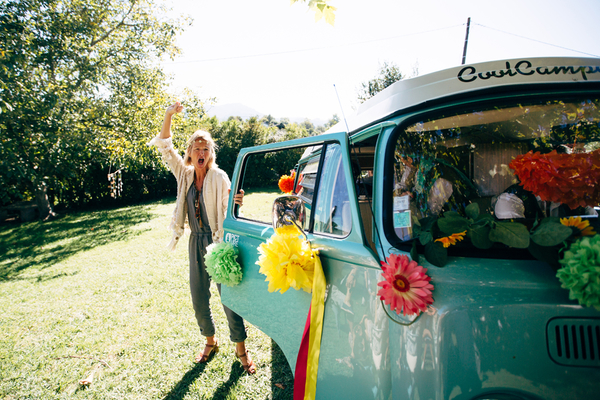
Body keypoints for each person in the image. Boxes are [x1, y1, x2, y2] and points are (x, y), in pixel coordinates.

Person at [149, 102, 256, 374]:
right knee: (198, 297)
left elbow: (228, 208)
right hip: (195, 241)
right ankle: (210, 341)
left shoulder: (219, 177)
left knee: (228, 297)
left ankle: (241, 348)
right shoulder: (184, 175)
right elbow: (165, 147)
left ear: (211, 154)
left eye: (205, 149)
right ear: (189, 152)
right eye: (196, 148)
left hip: (218, 243)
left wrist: (236, 203)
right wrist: (168, 114)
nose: (201, 152)